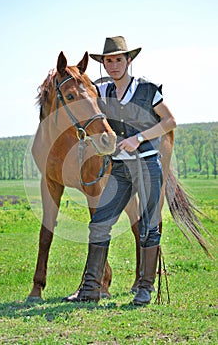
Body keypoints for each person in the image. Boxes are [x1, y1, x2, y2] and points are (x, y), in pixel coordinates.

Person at [64, 36, 176, 305]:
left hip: (147, 164)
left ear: (128, 61)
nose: (113, 65)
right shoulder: (103, 92)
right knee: (100, 222)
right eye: (108, 61)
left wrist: (139, 138)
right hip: (120, 168)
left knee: (149, 225)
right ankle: (91, 288)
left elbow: (170, 120)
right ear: (103, 65)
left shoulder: (147, 89)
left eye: (118, 60)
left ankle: (145, 289)